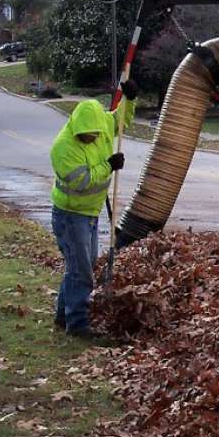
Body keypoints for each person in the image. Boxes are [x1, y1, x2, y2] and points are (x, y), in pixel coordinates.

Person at [49, 81, 137, 338]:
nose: (92, 138)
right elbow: (83, 181)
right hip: (70, 215)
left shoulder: (102, 126)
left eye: (95, 134)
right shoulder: (63, 148)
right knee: (82, 271)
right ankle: (77, 324)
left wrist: (129, 100)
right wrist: (109, 166)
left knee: (81, 265)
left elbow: (121, 120)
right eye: (87, 136)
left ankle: (63, 316)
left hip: (90, 213)